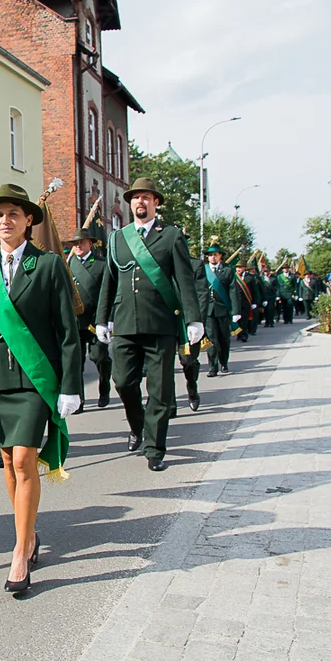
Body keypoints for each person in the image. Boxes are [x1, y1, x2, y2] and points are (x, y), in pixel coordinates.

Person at [0, 183, 80, 594]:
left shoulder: (48, 266)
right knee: (9, 462)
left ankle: (19, 552)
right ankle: (28, 531)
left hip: (35, 380)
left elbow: (67, 332)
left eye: (13, 214)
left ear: (28, 221)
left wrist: (70, 385)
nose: (5, 221)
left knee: (25, 459)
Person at [96, 178, 203, 472]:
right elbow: (110, 281)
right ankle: (138, 426)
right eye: (135, 198)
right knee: (123, 382)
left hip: (160, 323)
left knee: (159, 390)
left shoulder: (171, 236)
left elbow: (184, 280)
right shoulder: (118, 238)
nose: (140, 202)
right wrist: (101, 318)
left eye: (145, 197)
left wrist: (193, 317)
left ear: (156, 202)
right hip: (126, 323)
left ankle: (154, 448)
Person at [66, 222, 111, 411]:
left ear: (89, 244)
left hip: (94, 321)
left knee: (99, 357)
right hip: (75, 322)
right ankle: (80, 400)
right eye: (75, 243)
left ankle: (104, 388)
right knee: (76, 363)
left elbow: (106, 294)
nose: (78, 246)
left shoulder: (101, 265)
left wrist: (105, 319)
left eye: (82, 243)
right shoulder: (68, 264)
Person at [169, 250, 210, 416]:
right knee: (162, 366)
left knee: (189, 362)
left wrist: (197, 320)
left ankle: (192, 388)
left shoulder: (195, 264)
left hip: (187, 321)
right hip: (165, 320)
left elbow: (201, 293)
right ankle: (169, 403)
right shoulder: (157, 262)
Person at [203, 242, 241, 377]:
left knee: (224, 338)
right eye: (210, 255)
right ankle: (212, 367)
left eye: (215, 255)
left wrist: (236, 311)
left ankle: (223, 362)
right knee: (211, 339)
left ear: (220, 256)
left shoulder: (228, 270)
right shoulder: (203, 270)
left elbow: (233, 290)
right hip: (208, 310)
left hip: (222, 309)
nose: (212, 257)